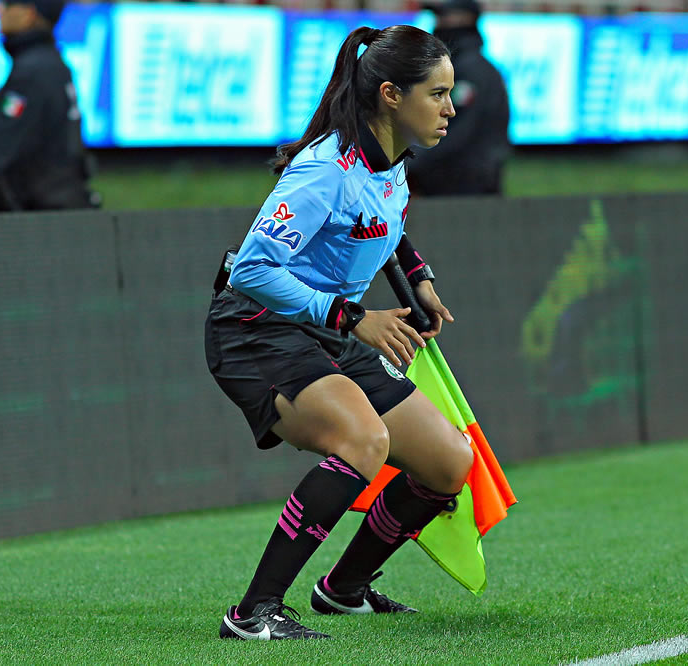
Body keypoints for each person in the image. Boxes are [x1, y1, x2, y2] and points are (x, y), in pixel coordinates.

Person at [205, 24, 474, 640]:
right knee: (363, 441)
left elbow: (385, 223)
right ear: (390, 94)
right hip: (256, 330)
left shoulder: (391, 157)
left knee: (447, 463)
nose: (450, 108)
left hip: (321, 330)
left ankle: (343, 590)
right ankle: (254, 613)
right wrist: (355, 318)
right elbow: (251, 268)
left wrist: (418, 280)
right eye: (436, 93)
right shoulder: (324, 169)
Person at [0, 0, 96, 211]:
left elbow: (0, 147)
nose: (0, 10)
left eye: (9, 5)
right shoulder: (51, 62)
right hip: (64, 201)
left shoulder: (32, 72)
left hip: (42, 214)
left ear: (29, 14)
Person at [406, 0, 510, 196]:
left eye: (444, 16)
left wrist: (403, 165)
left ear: (466, 19)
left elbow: (455, 132)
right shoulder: (460, 67)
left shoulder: (471, 72)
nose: (438, 23)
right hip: (456, 186)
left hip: (465, 192)